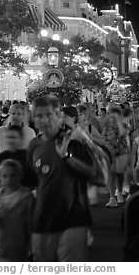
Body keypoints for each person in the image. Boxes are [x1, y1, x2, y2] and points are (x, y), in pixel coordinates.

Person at [25, 95, 95, 261]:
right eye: (39, 116)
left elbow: (93, 174)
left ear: (58, 116)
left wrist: (66, 157)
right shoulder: (33, 145)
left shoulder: (73, 141)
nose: (44, 120)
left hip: (73, 219)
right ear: (34, 119)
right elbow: (30, 183)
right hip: (42, 221)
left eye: (49, 114)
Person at [0, 159, 34, 261]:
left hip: (17, 252)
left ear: (19, 176)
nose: (9, 179)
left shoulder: (26, 197)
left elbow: (31, 228)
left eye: (13, 175)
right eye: (5, 176)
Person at [105, 107, 131, 207]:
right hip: (110, 152)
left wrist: (118, 121)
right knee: (110, 175)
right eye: (111, 114)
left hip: (121, 152)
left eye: (114, 114)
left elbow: (123, 133)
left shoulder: (124, 125)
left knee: (119, 175)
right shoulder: (107, 127)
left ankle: (119, 192)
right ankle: (112, 198)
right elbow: (105, 138)